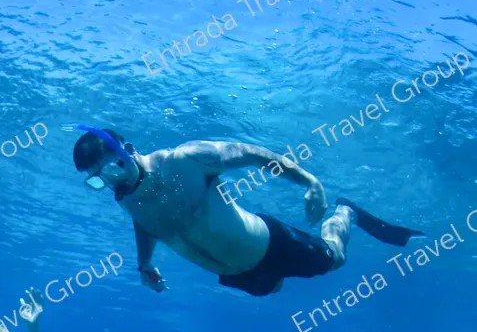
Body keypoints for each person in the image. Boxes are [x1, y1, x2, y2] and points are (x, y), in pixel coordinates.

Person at [70, 125, 423, 298]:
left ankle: (346, 212)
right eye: (98, 181)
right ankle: (274, 277)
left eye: (113, 168)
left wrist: (309, 181)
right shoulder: (126, 197)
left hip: (272, 245)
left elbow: (252, 154)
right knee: (274, 289)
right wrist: (144, 264)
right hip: (238, 276)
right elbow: (146, 224)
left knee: (335, 259)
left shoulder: (185, 160)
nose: (112, 182)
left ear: (129, 149)